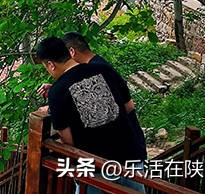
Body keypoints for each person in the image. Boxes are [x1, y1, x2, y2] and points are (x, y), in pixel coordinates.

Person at [35, 37, 146, 193]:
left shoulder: (57, 92)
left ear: (51, 65)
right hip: (131, 160)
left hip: (95, 170)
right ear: (69, 52)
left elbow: (68, 141)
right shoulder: (103, 69)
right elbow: (129, 107)